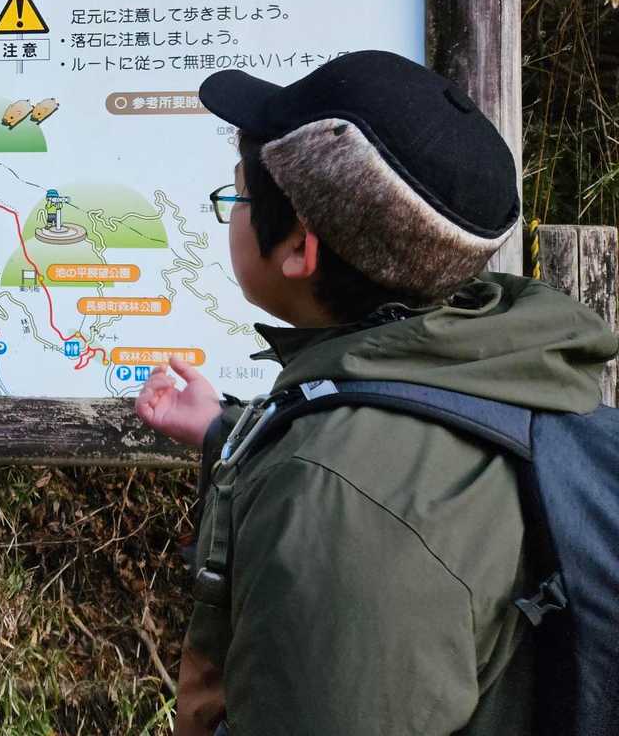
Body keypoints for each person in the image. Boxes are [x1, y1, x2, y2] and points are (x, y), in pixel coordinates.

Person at [135, 51, 615, 736]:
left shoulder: (336, 508)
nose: (232, 211)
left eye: (237, 195)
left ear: (300, 247)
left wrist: (311, 467)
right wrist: (226, 430)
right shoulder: (505, 363)